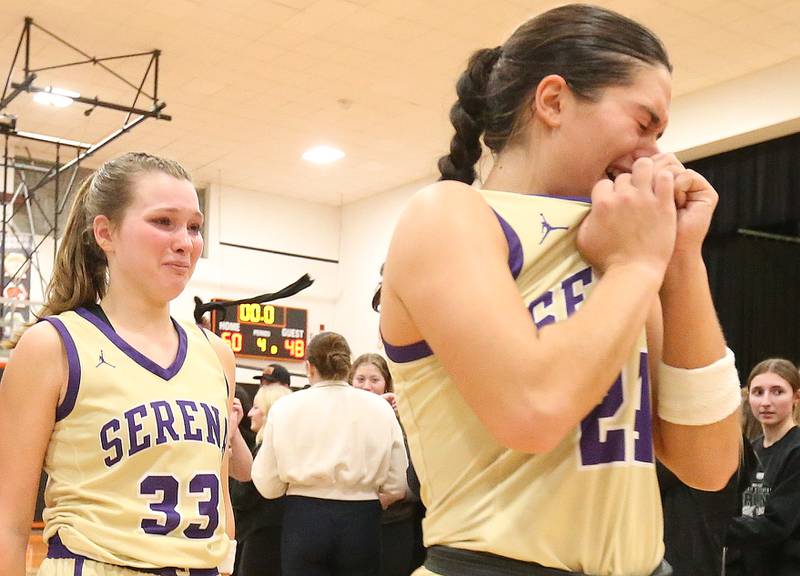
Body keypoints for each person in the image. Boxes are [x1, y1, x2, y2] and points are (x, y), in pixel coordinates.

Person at [378, 4, 742, 576]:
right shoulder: (450, 214)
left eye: (661, 135)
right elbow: (533, 411)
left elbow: (711, 464)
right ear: (553, 101)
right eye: (643, 124)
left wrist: (680, 257)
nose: (652, 153)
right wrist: (635, 266)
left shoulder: (623, 243)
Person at [0, 152, 246, 576]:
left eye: (194, 227)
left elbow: (221, 504)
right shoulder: (53, 345)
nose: (185, 241)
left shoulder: (216, 354)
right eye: (163, 221)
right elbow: (8, 522)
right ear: (105, 233)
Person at [252, 332, 408, 576]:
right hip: (362, 517)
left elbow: (266, 484)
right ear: (347, 367)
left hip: (304, 516)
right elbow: (398, 484)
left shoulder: (286, 407)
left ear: (309, 367)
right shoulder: (380, 409)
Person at [725, 359, 800, 576]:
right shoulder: (750, 449)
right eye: (758, 392)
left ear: (796, 396)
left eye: (777, 392)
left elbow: (778, 525)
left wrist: (717, 529)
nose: (766, 402)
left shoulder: (795, 450)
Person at [351, 353, 423, 576]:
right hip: (353, 518)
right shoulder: (344, 418)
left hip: (396, 521)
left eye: (374, 380)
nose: (367, 386)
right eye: (360, 379)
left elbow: (416, 469)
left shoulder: (403, 418)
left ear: (386, 384)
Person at [232, 383, 291, 576]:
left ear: (269, 414)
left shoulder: (267, 451)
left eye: (257, 407)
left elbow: (243, 496)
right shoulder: (290, 450)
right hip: (283, 535)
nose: (250, 413)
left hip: (261, 538)